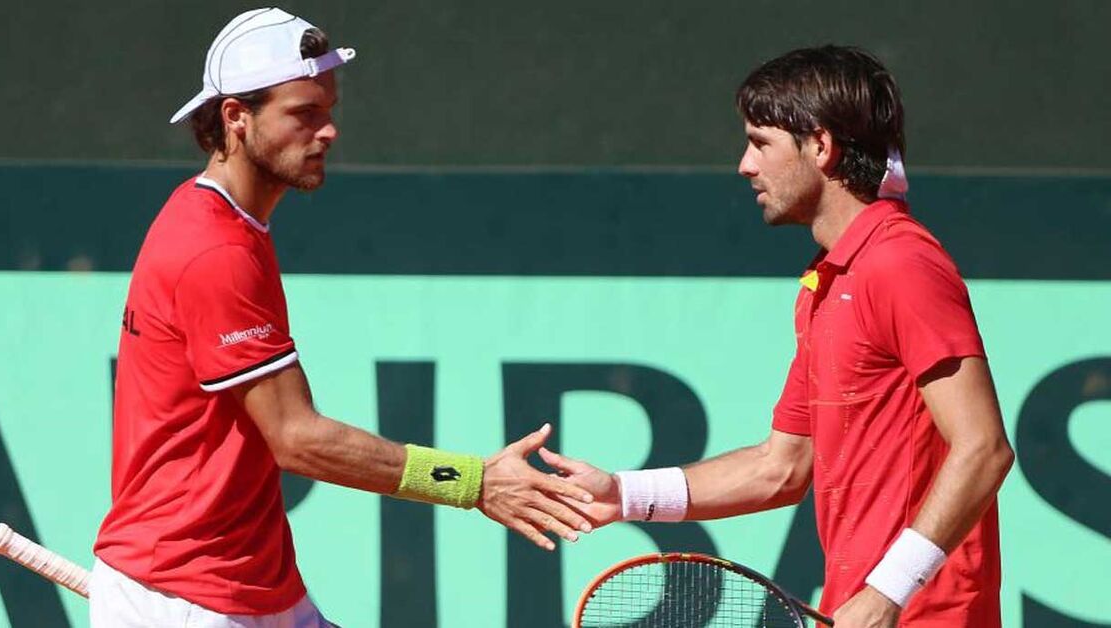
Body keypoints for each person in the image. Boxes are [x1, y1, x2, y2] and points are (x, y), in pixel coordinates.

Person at [91, 8, 592, 627]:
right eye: (304, 114)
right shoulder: (213, 250)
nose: (327, 131)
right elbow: (296, 437)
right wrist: (472, 482)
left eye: (329, 110)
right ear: (236, 116)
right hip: (184, 595)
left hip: (250, 582)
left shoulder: (225, 227)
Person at [542, 46, 1014, 628]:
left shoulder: (901, 263)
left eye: (760, 143)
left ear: (821, 146)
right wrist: (623, 494)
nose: (745, 165)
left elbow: (983, 448)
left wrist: (887, 592)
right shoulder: (826, 283)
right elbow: (780, 467)